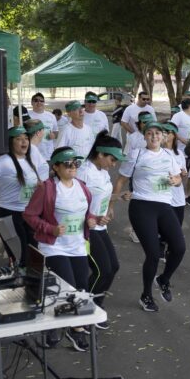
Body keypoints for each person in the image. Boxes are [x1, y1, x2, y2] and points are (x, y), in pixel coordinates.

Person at [24, 146, 96, 351]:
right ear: (55, 167)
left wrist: (91, 221)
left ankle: (75, 327)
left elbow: (87, 213)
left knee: (82, 287)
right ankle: (65, 328)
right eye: (67, 164)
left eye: (76, 163)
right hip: (53, 247)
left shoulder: (82, 186)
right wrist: (50, 229)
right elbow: (29, 215)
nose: (73, 167)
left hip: (77, 246)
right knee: (68, 287)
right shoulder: (46, 188)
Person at [115, 123, 186, 312]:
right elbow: (122, 179)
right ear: (145, 137)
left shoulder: (169, 155)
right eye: (149, 133)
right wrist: (112, 203)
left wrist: (175, 180)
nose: (154, 136)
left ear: (163, 137)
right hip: (142, 205)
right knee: (153, 254)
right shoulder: (136, 154)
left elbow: (178, 179)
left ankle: (163, 279)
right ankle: (146, 295)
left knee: (179, 247)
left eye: (157, 133)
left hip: (164, 205)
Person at [0, 127, 46, 265]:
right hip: (8, 216)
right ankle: (18, 285)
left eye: (26, 138)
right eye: (19, 138)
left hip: (28, 215)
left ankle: (31, 285)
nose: (24, 142)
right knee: (20, 258)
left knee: (34, 257)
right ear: (10, 142)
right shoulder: (1, 163)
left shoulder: (28, 160)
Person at [79, 132, 122, 324]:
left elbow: (100, 196)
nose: (114, 164)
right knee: (102, 270)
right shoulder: (83, 173)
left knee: (113, 267)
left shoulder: (103, 172)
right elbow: (73, 202)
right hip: (84, 230)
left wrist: (116, 199)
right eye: (112, 159)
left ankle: (96, 303)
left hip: (100, 227)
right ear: (101, 154)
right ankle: (85, 309)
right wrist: (93, 218)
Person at [26, 92, 58, 160]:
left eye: (41, 101)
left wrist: (54, 135)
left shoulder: (51, 116)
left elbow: (56, 132)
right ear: (32, 103)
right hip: (31, 154)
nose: (39, 102)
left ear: (44, 103)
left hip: (48, 154)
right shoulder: (27, 116)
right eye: (36, 100)